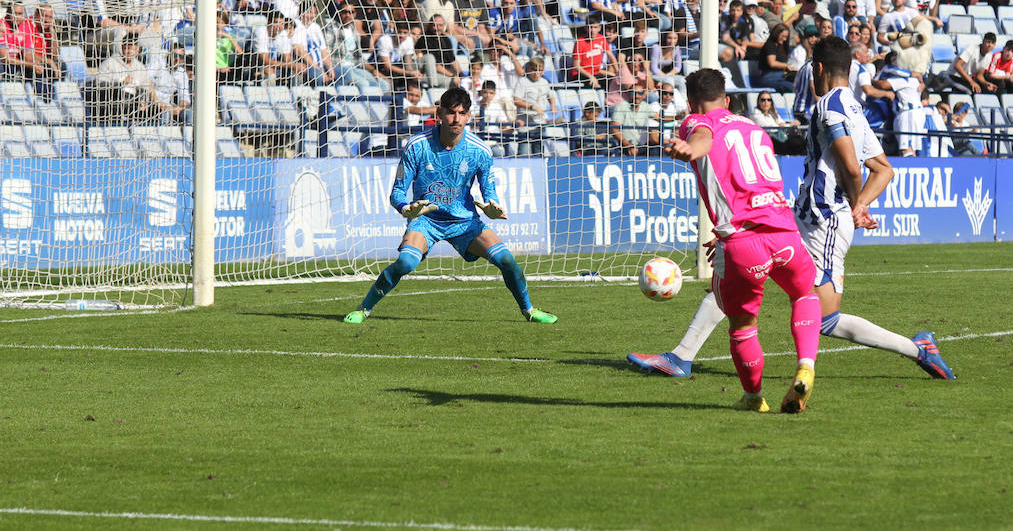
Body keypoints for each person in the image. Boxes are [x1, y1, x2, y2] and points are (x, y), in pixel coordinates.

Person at [627, 39, 954, 385]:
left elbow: (855, 169)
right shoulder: (854, 107)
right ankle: (681, 356)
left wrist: (857, 203)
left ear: (819, 69)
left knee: (826, 318)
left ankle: (918, 349)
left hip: (823, 220)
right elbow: (884, 169)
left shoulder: (829, 108)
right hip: (804, 218)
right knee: (732, 275)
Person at [646, 69, 823, 413]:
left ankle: (754, 399)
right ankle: (806, 365)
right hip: (785, 233)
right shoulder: (755, 129)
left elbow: (703, 136)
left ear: (691, 103)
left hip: (744, 243)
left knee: (743, 326)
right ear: (727, 99)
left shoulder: (695, 121)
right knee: (803, 294)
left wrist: (690, 149)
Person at [343, 86, 557, 325]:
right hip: (425, 220)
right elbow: (397, 192)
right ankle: (364, 308)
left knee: (507, 260)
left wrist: (490, 207)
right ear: (439, 113)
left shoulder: (480, 150)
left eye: (462, 113)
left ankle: (529, 310)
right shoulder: (417, 146)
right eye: (451, 113)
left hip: (464, 221)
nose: (456, 119)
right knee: (405, 263)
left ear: (469, 116)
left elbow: (489, 190)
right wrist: (407, 209)